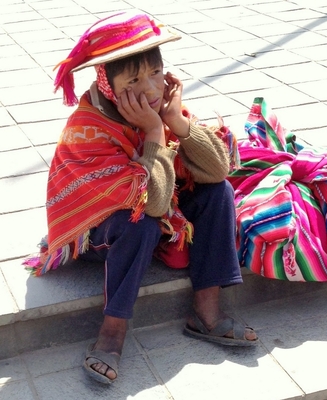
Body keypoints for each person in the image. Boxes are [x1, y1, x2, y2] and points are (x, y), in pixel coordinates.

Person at [26, 11, 258, 384]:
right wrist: (153, 134)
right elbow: (152, 204)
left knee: (219, 193)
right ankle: (112, 332)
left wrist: (177, 124)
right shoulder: (89, 129)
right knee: (141, 224)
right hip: (98, 233)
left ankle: (206, 311)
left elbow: (217, 170)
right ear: (108, 86)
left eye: (155, 73)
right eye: (133, 80)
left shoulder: (164, 110)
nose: (150, 89)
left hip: (151, 209)